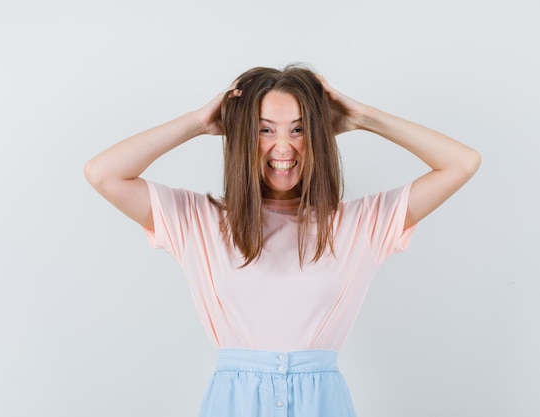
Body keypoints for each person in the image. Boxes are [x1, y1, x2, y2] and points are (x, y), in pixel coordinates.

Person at [84, 65, 480, 417]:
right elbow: (103, 173)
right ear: (243, 135)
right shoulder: (198, 220)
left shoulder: (361, 223)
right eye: (264, 129)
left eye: (300, 128)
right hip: (233, 403)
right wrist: (197, 124)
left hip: (323, 403)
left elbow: (462, 162)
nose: (283, 146)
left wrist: (364, 117)